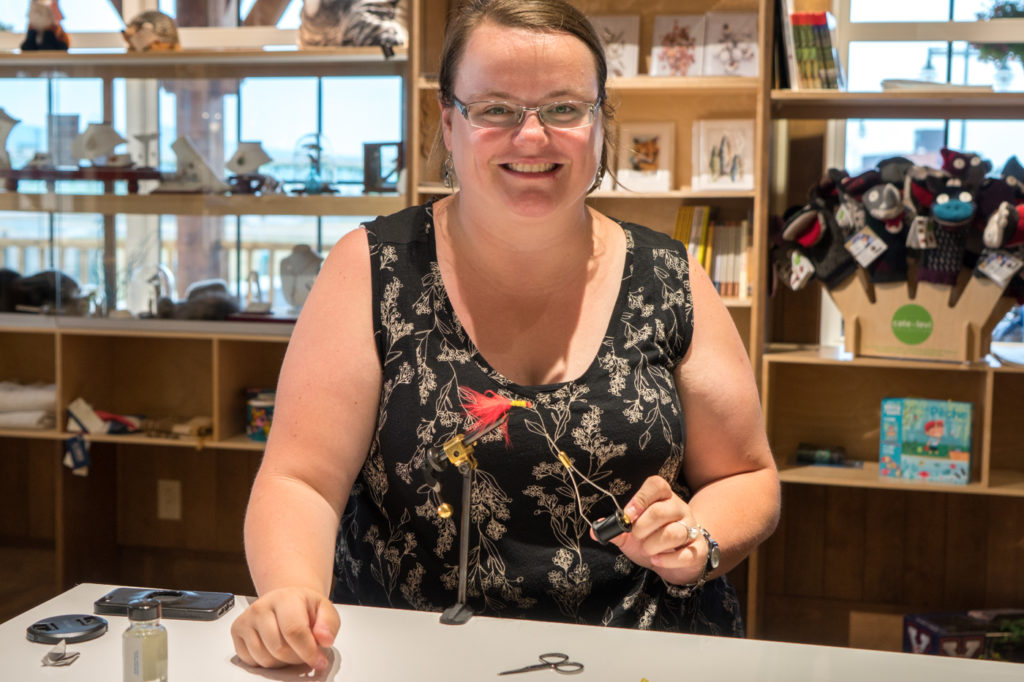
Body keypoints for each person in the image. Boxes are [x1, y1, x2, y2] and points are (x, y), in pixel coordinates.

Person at [231, 0, 780, 670]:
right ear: (449, 121)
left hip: (646, 657)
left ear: (600, 120)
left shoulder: (671, 276)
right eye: (495, 108)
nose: (531, 137)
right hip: (413, 661)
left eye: (563, 108)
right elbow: (301, 481)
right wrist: (291, 596)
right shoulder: (371, 268)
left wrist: (699, 537)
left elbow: (748, 475)